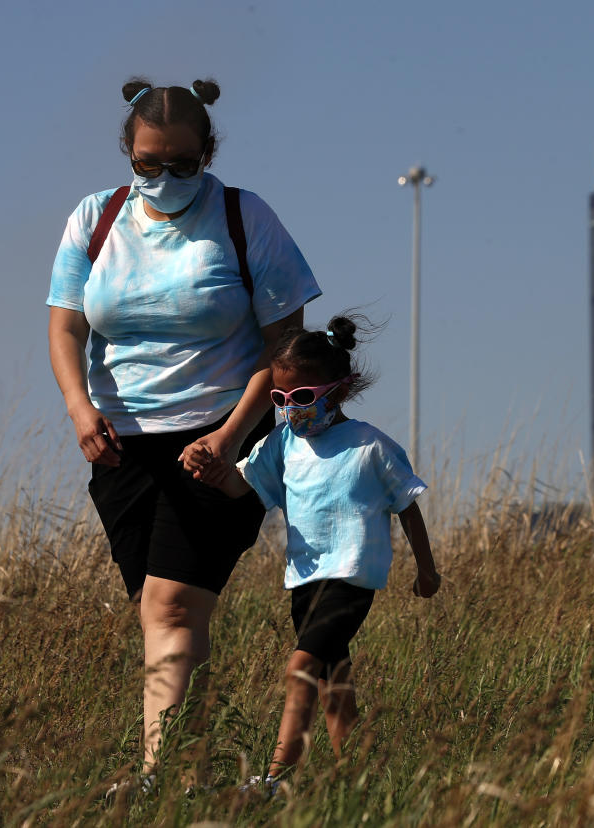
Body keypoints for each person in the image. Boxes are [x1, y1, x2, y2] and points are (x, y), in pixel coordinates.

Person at [46, 76, 321, 776]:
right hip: (120, 449)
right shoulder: (95, 217)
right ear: (127, 153)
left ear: (208, 151)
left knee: (169, 607)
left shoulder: (243, 216)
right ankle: (192, 772)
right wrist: (81, 411)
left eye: (182, 164)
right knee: (161, 613)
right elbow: (65, 324)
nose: (165, 177)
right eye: (148, 164)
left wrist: (231, 439)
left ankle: (159, 780)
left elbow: (285, 342)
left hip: (221, 439)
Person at [184, 315, 441, 788]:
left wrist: (427, 570)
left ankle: (278, 778)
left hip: (351, 577)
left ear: (339, 391)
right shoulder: (282, 444)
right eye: (280, 400)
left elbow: (408, 507)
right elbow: (240, 484)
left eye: (302, 397)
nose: (290, 409)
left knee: (300, 668)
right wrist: (209, 466)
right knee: (332, 682)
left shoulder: (370, 446)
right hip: (304, 579)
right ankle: (359, 780)